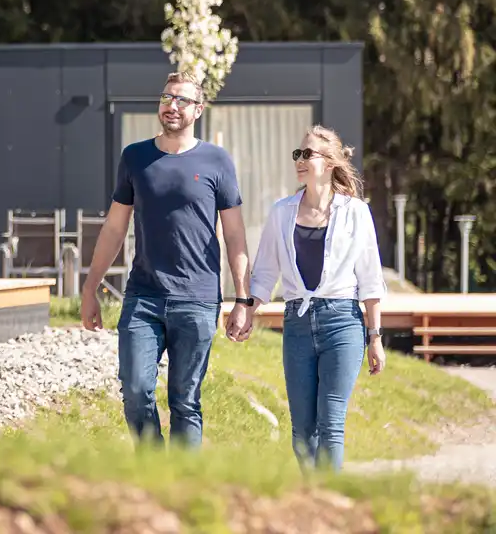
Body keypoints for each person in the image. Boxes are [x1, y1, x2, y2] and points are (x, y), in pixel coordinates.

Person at [81, 70, 253, 449]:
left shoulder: (217, 160)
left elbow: (235, 234)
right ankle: (153, 467)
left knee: (185, 401)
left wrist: (243, 299)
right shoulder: (136, 157)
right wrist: (90, 287)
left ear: (198, 110)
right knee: (135, 390)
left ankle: (180, 480)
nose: (171, 106)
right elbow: (114, 228)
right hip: (144, 296)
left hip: (198, 299)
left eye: (182, 100)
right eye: (166, 97)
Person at [244, 125, 386, 473]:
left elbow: (370, 279)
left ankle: (327, 500)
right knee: (302, 431)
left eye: (308, 154)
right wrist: (247, 309)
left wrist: (375, 337)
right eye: (298, 153)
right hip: (297, 323)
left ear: (331, 162)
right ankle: (312, 494)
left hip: (342, 323)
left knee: (331, 425)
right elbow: (265, 271)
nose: (300, 160)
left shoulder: (355, 212)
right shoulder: (282, 212)